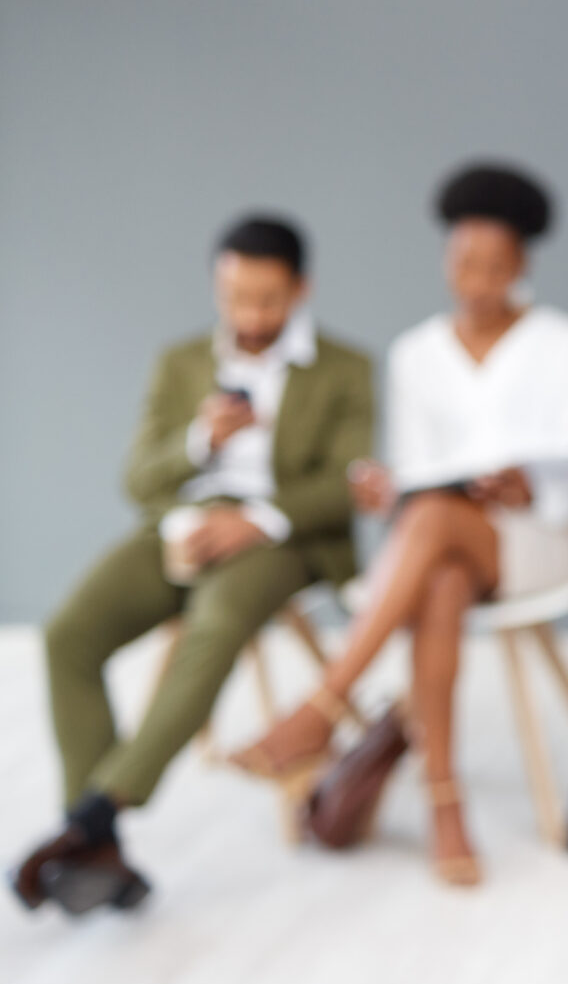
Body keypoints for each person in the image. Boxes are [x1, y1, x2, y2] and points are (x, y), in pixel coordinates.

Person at [230, 162, 568, 887]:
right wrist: (385, 490)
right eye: (465, 261)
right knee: (438, 566)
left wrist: (528, 484)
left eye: (496, 265)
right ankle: (446, 808)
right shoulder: (415, 354)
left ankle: (322, 708)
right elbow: (413, 472)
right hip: (444, 544)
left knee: (436, 525)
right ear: (445, 259)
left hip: (539, 538)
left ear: (523, 265)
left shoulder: (563, 342)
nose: (478, 279)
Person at [9, 216, 373, 916]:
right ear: (218, 284)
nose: (250, 314)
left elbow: (347, 484)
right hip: (183, 526)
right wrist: (199, 443)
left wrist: (256, 520)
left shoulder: (344, 369)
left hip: (281, 538)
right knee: (67, 635)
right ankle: (99, 841)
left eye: (268, 299)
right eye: (235, 296)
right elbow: (139, 480)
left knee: (218, 620)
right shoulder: (180, 363)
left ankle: (94, 811)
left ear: (301, 288)